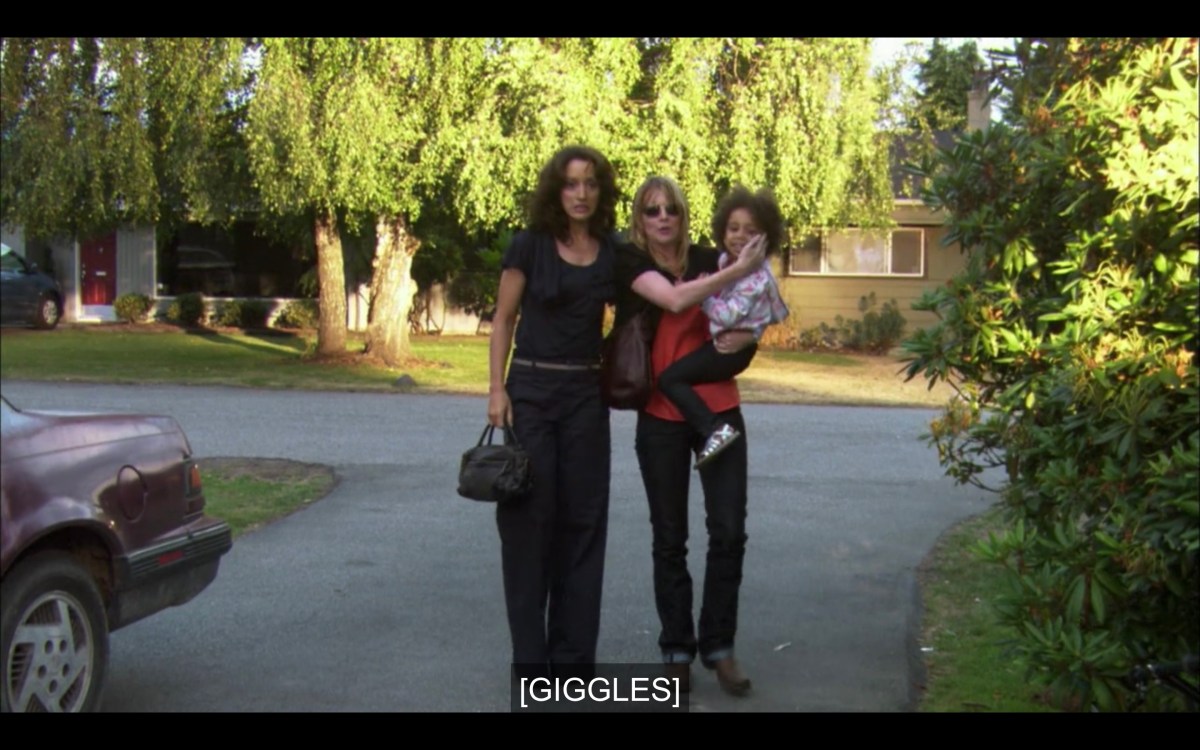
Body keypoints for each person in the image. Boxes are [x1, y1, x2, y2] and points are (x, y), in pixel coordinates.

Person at [613, 176, 765, 697]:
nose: (663, 218)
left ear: (683, 215)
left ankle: (719, 647)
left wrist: (752, 334)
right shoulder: (631, 265)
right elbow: (676, 302)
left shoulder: (712, 258)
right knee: (669, 539)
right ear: (640, 218)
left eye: (671, 209)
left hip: (720, 412)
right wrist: (738, 270)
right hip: (659, 418)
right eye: (652, 210)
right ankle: (677, 649)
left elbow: (752, 300)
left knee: (728, 533)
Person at [487, 145, 618, 680]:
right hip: (533, 394)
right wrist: (497, 389)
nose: (581, 194)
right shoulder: (530, 246)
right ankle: (531, 663)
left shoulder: (612, 251)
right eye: (570, 184)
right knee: (529, 525)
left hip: (587, 397)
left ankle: (573, 663)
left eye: (589, 184)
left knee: (583, 526)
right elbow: (503, 319)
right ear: (555, 190)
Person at [656, 186, 789, 470]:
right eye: (733, 228)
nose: (740, 236)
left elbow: (727, 316)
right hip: (725, 346)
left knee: (670, 380)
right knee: (676, 376)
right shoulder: (723, 262)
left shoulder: (754, 277)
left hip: (732, 352)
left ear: (766, 237)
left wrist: (701, 297)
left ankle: (714, 428)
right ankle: (713, 427)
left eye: (751, 231)